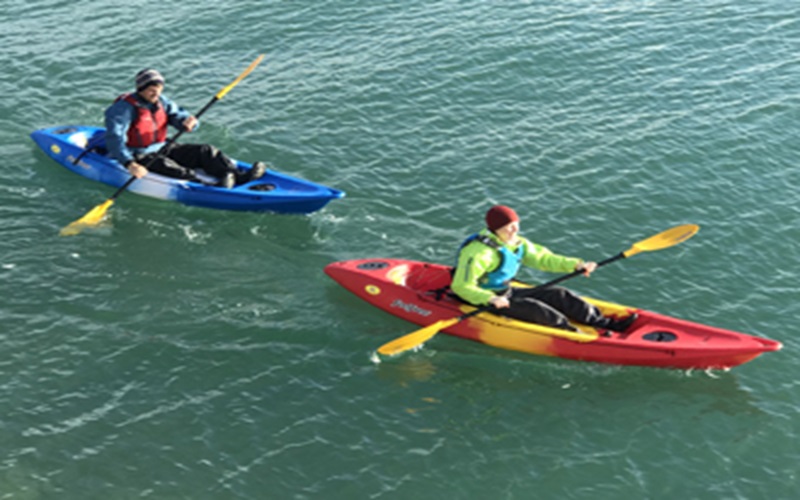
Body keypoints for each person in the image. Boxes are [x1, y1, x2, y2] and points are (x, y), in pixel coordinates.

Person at [450, 205, 637, 333]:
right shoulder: (478, 253)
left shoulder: (517, 243)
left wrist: (576, 264)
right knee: (536, 309)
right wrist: (490, 298)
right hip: (483, 299)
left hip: (505, 292)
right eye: (508, 228)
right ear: (495, 229)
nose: (514, 231)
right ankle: (572, 335)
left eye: (516, 225)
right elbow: (461, 286)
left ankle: (605, 323)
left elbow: (543, 259)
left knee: (559, 294)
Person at [104, 68, 266, 188]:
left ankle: (236, 175)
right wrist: (129, 163)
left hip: (163, 146)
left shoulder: (162, 101)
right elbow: (114, 138)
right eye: (151, 91)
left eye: (159, 91)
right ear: (141, 89)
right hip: (138, 154)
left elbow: (178, 116)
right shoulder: (122, 109)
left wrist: (188, 123)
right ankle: (210, 187)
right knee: (175, 170)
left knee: (205, 151)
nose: (156, 95)